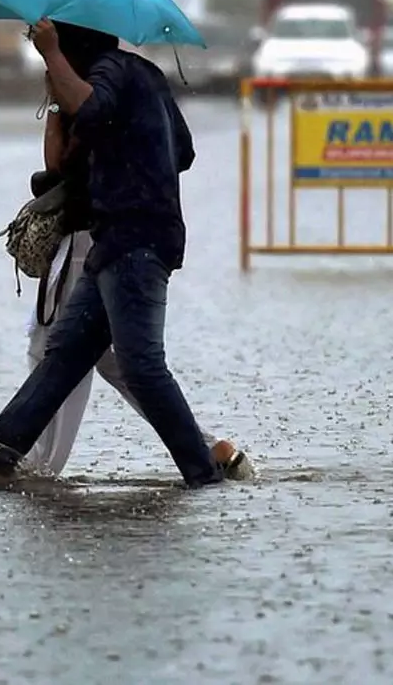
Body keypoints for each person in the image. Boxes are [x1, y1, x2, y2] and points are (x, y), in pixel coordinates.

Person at [0, 19, 227, 488]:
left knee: (140, 365)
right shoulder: (139, 77)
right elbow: (177, 152)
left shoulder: (113, 71)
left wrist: (52, 56)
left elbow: (92, 108)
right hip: (116, 239)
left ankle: (204, 473)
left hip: (138, 241)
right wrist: (68, 98)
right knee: (66, 354)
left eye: (57, 43)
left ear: (73, 43)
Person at [23, 75, 253, 480]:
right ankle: (206, 447)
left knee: (57, 346)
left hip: (93, 237)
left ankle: (35, 462)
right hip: (114, 236)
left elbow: (58, 164)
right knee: (114, 360)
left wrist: (57, 102)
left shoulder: (93, 85)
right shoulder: (131, 84)